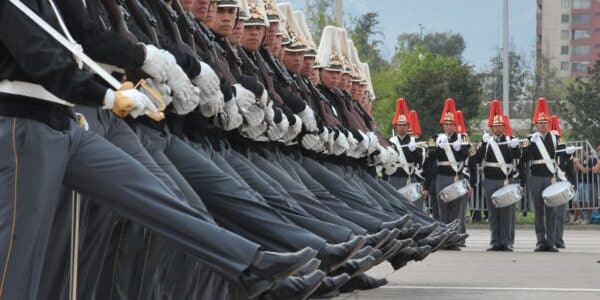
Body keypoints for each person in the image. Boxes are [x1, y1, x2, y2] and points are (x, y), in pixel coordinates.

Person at [520, 98, 576, 252]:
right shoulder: (531, 138)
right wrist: (531, 145)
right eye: (540, 123)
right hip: (536, 176)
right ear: (536, 124)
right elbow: (524, 158)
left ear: (549, 123)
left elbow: (563, 158)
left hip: (551, 177)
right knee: (538, 211)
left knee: (551, 210)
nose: (543, 125)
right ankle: (540, 240)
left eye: (545, 123)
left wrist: (570, 153)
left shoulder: (556, 137)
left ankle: (551, 241)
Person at [469, 100, 521, 251]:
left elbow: (518, 157)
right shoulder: (487, 142)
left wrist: (516, 147)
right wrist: (483, 145)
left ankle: (507, 241)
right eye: (495, 126)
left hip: (506, 180)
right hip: (490, 181)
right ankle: (495, 241)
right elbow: (475, 160)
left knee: (507, 213)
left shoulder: (510, 141)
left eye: (500, 126)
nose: (498, 128)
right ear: (491, 128)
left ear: (504, 127)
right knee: (493, 213)